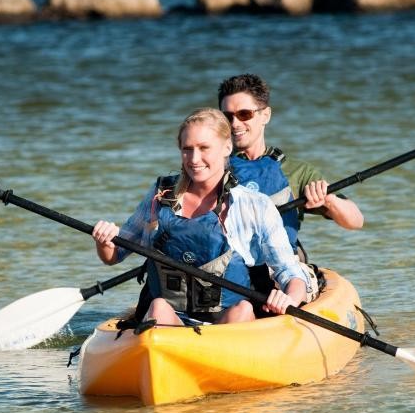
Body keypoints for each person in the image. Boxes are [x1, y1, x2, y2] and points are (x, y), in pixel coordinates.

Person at [91, 107, 309, 327]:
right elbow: (114, 255)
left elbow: (290, 273)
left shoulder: (255, 205)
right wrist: (104, 240)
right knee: (158, 306)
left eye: (204, 148)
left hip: (229, 323)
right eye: (187, 149)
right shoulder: (161, 196)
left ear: (227, 147)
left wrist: (288, 298)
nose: (194, 159)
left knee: (242, 310)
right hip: (171, 322)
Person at [218, 73, 364, 256]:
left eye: (244, 114)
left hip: (280, 269)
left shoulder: (296, 172)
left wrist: (329, 200)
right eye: (227, 117)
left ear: (265, 115)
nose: (235, 124)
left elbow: (355, 221)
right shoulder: (211, 167)